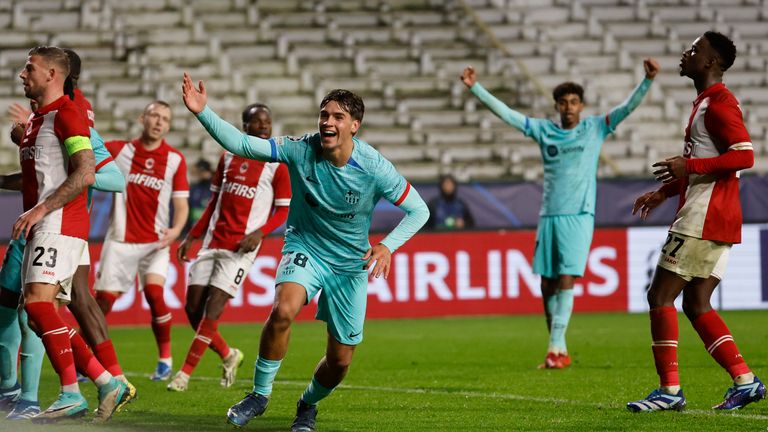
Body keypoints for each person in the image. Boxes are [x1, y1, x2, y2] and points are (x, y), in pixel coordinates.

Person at [182, 73, 429, 432]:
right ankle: (259, 395)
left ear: (354, 126)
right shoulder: (300, 147)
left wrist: (387, 246)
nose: (327, 122)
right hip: (306, 247)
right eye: (324, 114)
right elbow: (244, 145)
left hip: (350, 264)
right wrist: (203, 112)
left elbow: (420, 210)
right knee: (283, 309)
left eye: (337, 117)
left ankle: (307, 404)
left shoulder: (374, 167)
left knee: (341, 360)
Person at [461, 58, 659, 369]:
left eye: (574, 102)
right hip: (549, 215)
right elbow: (509, 115)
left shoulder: (595, 128)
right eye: (563, 102)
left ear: (582, 106)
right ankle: (559, 350)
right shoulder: (544, 131)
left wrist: (646, 80)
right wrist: (476, 89)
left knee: (567, 277)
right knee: (546, 284)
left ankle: (555, 348)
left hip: (579, 215)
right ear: (556, 106)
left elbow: (626, 108)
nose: (569, 107)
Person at [627, 31, 763, 412]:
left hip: (704, 217)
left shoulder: (720, 103)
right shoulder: (704, 103)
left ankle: (669, 391)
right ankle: (746, 381)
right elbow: (707, 163)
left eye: (695, 49)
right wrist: (666, 191)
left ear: (711, 62)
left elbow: (745, 156)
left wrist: (689, 165)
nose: (687, 53)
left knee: (660, 296)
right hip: (716, 216)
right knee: (697, 304)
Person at [0, 48, 135, 421]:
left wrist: (42, 208)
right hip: (42, 226)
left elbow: (87, 172)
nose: (21, 74)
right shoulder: (38, 121)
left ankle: (84, 389)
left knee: (40, 306)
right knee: (43, 310)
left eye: (30, 68)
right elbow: (42, 178)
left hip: (59, 224)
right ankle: (96, 385)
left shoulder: (68, 114)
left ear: (53, 74)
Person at [168, 103, 291, 392]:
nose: (264, 127)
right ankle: (228, 354)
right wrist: (192, 237)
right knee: (192, 309)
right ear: (244, 127)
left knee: (213, 310)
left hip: (241, 250)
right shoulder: (227, 157)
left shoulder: (278, 165)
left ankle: (183, 375)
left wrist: (259, 234)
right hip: (212, 241)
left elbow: (283, 212)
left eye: (267, 122)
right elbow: (213, 204)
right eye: (257, 122)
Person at [93, 100, 190, 381]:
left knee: (155, 295)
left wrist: (176, 229)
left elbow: (181, 204)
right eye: (154, 116)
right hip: (121, 240)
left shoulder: (175, 160)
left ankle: (165, 360)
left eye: (165, 119)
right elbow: (87, 142)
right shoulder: (119, 150)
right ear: (142, 118)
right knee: (102, 304)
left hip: (156, 242)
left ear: (169, 126)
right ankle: (90, 358)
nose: (159, 122)